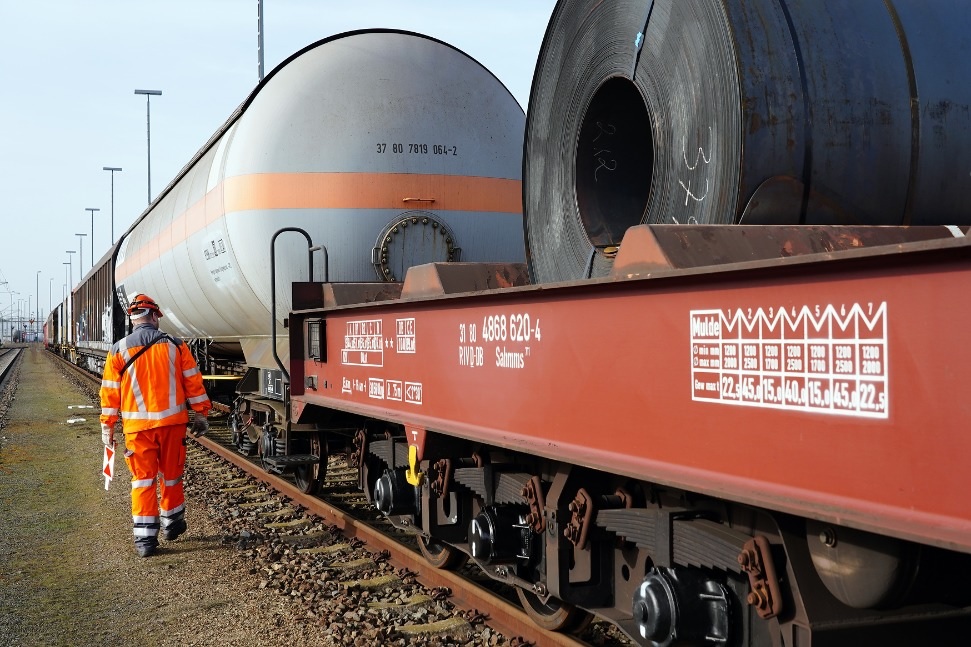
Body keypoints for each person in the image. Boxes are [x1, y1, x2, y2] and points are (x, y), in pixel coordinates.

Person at [99, 294, 211, 557]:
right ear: (152, 316)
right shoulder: (175, 345)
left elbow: (110, 392)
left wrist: (108, 427)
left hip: (138, 431)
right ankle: (172, 524)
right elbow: (193, 382)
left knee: (142, 482)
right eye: (157, 316)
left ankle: (145, 540)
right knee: (171, 476)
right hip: (172, 426)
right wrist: (201, 414)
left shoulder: (118, 350)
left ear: (133, 320)